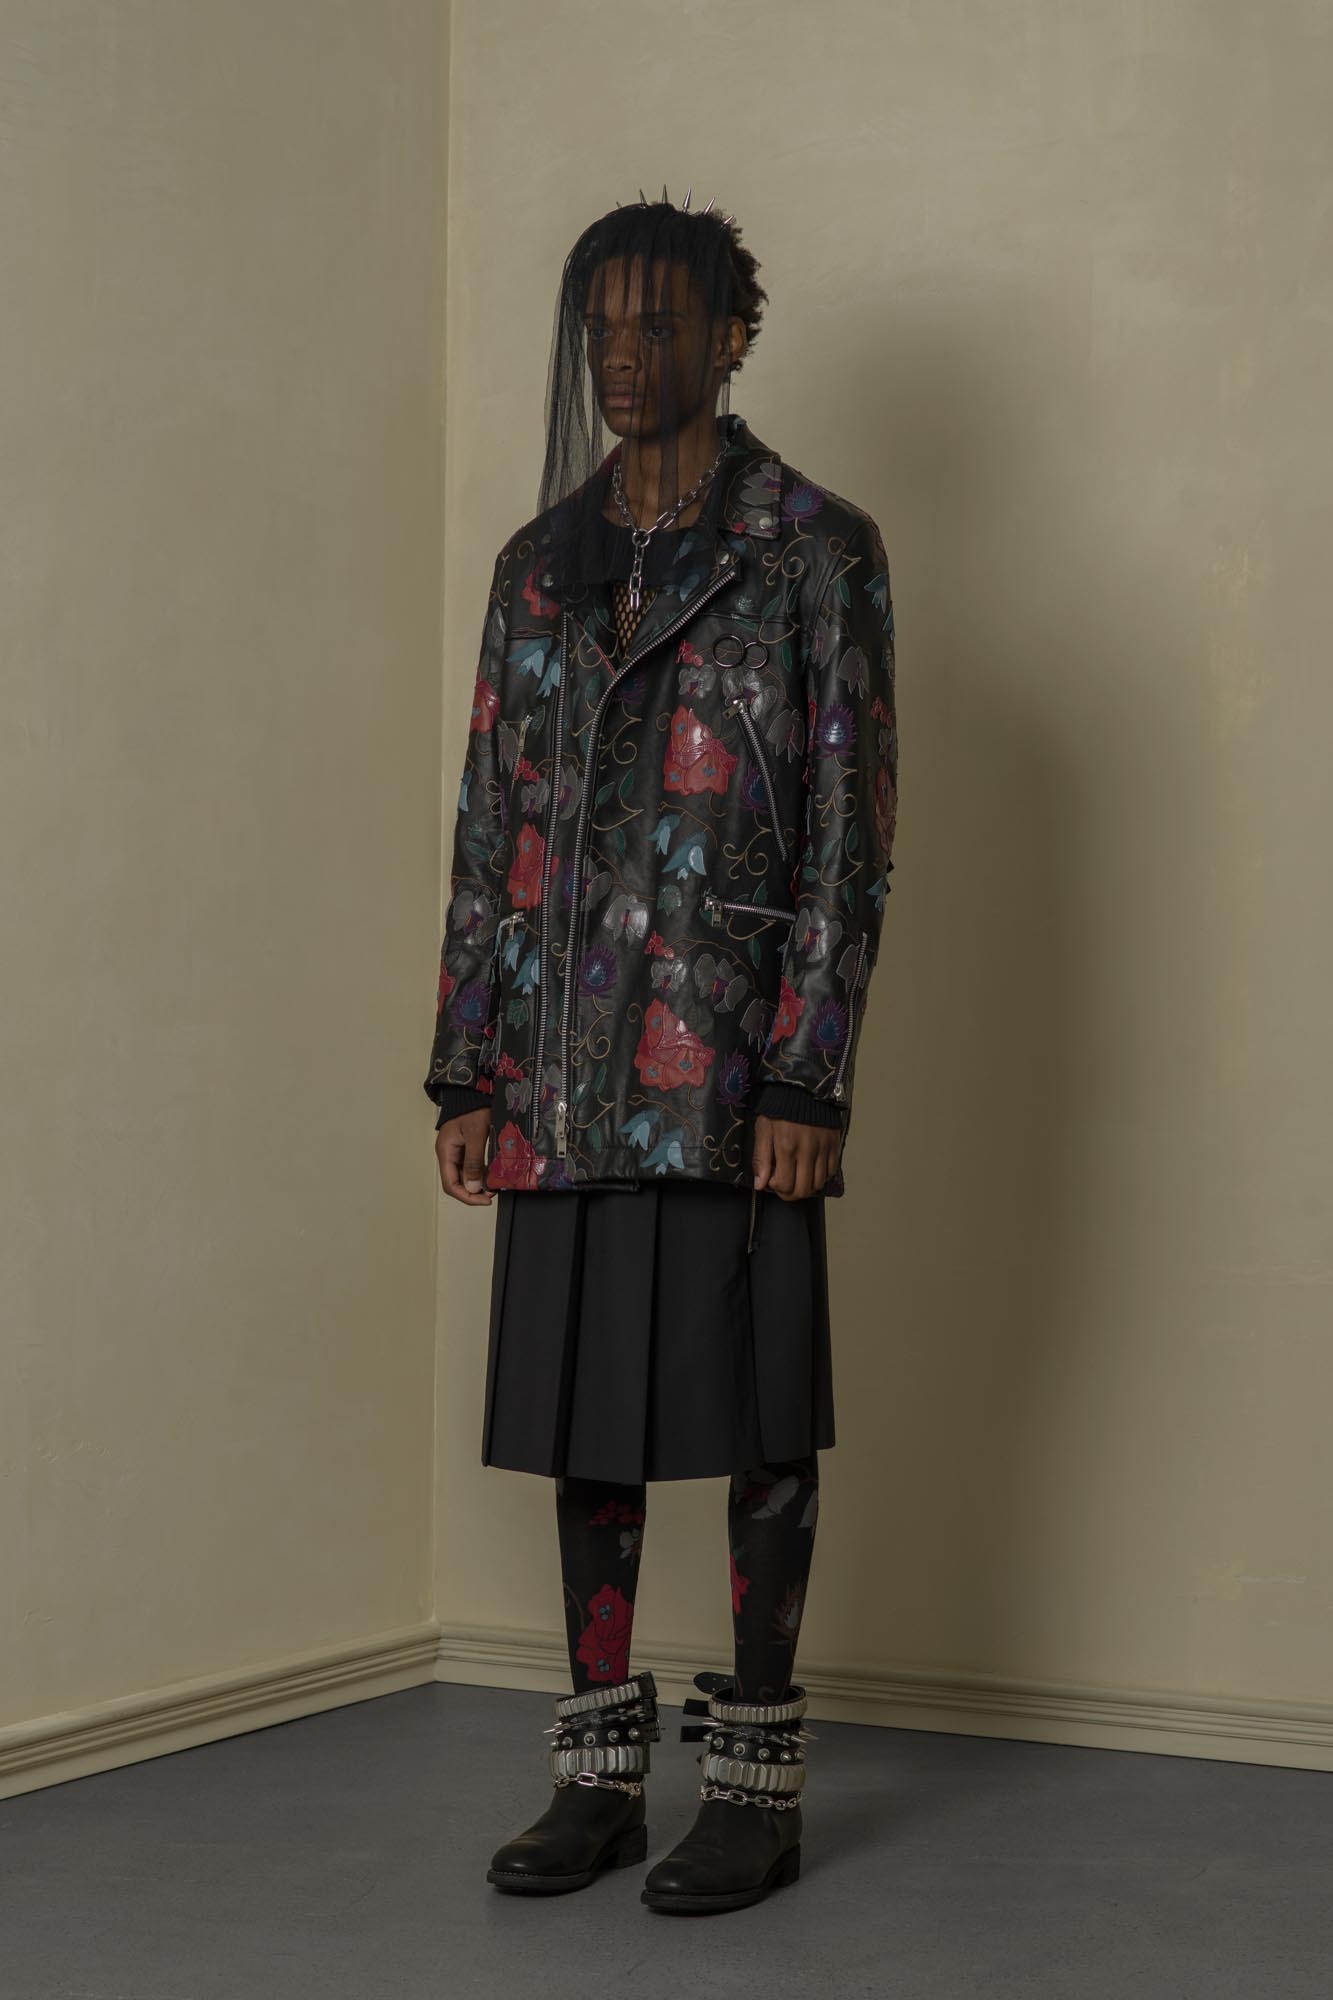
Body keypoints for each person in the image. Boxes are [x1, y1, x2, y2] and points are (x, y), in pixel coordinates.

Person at [424, 189, 897, 1914]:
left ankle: (754, 1785)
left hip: (727, 1066)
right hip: (556, 1066)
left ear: (730, 336)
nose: (621, 358)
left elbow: (849, 831)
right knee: (583, 1421)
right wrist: (466, 1064)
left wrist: (806, 1074)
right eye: (599, 329)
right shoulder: (535, 565)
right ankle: (597, 1780)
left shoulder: (813, 548)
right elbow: (490, 820)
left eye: (656, 325)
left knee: (758, 1420)